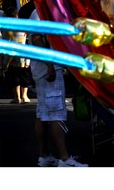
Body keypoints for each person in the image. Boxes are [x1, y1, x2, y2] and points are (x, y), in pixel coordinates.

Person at [29, 11, 88, 167]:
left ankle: (44, 156)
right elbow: (36, 38)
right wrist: (49, 64)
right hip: (48, 70)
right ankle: (64, 158)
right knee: (57, 114)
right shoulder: (40, 12)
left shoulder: (40, 11)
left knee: (42, 114)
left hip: (44, 69)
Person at [3, 7, 32, 103]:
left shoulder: (5, 25)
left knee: (13, 75)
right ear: (16, 14)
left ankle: (17, 97)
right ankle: (25, 96)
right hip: (23, 53)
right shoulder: (23, 24)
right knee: (24, 74)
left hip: (10, 54)